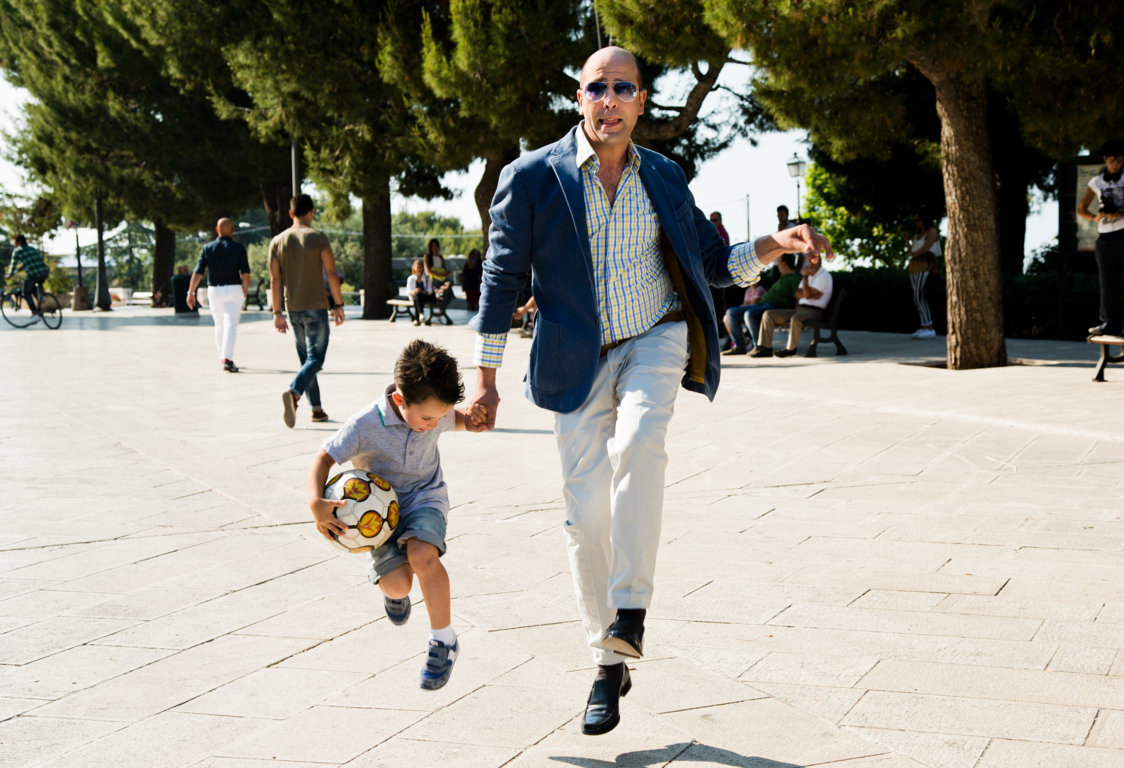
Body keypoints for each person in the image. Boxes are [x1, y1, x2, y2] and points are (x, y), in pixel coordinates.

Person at [466, 46, 832, 736]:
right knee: (584, 518)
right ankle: (608, 662)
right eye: (596, 88)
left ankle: (629, 610)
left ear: (641, 101)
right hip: (573, 359)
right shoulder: (531, 178)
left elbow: (714, 264)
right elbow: (501, 280)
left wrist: (772, 244)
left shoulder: (663, 174)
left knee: (640, 442)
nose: (609, 100)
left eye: (623, 88)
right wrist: (484, 380)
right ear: (579, 99)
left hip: (653, 337)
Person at [307, 339, 486, 690]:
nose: (433, 424)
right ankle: (393, 594)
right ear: (401, 401)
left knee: (424, 555)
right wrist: (315, 501)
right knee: (398, 583)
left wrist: (473, 422)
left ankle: (443, 639)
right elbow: (323, 457)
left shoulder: (431, 411)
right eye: (427, 418)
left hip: (425, 499)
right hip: (375, 520)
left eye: (439, 417)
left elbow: (455, 419)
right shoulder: (364, 425)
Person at [269, 193, 346, 428]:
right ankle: (294, 393)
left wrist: (277, 313)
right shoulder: (318, 238)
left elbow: (275, 279)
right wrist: (339, 304)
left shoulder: (277, 241)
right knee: (315, 359)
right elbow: (332, 274)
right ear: (311, 212)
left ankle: (317, 409)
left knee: (307, 360)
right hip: (316, 307)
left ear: (291, 214)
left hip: (293, 309)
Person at [187, 218, 251, 372]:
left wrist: (191, 291)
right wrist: (244, 290)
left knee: (219, 324)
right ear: (233, 230)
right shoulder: (239, 248)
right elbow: (246, 273)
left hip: (214, 290)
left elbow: (198, 272)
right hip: (234, 288)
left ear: (217, 230)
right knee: (231, 324)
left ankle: (223, 356)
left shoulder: (208, 248)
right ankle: (227, 358)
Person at [1078, 139, 1124, 337]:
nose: (1116, 164)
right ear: (1105, 159)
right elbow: (1082, 208)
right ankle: (1108, 324)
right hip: (1105, 237)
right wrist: (1095, 217)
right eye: (1112, 160)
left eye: (1120, 161)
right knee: (1107, 283)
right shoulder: (1096, 182)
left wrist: (1119, 213)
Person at [752, 250, 833, 358]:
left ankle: (790, 349)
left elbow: (806, 295)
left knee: (795, 318)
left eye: (812, 260)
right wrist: (809, 292)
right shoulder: (810, 276)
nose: (809, 263)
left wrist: (804, 279)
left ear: (819, 260)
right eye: (808, 260)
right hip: (800, 309)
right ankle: (765, 348)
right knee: (768, 314)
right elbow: (797, 294)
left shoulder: (824, 276)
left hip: (815, 311)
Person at [722, 253, 800, 355]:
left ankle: (759, 346)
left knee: (750, 314)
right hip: (762, 304)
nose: (777, 264)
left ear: (784, 263)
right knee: (731, 312)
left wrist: (796, 312)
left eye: (779, 262)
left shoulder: (795, 278)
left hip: (774, 307)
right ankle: (739, 346)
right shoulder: (782, 277)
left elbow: (798, 297)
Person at [906, 213, 940, 339]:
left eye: (918, 220)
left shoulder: (931, 231)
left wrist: (915, 253)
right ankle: (924, 325)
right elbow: (911, 251)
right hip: (914, 266)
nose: (916, 223)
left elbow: (926, 248)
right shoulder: (918, 234)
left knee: (919, 296)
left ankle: (929, 327)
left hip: (925, 266)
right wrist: (908, 241)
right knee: (918, 298)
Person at [6, 234, 50, 318]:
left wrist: (9, 275)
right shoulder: (32, 249)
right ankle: (41, 299)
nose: (13, 243)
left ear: (19, 242)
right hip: (44, 272)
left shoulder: (18, 251)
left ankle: (34, 313)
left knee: (26, 293)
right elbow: (30, 262)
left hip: (33, 274)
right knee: (33, 289)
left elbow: (13, 265)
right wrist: (19, 269)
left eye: (14, 241)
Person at [406, 257, 437, 326]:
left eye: (421, 267)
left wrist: (421, 291)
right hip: (416, 297)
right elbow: (408, 291)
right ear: (414, 268)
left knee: (418, 295)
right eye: (418, 267)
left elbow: (429, 291)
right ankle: (421, 314)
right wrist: (416, 291)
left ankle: (417, 318)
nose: (419, 269)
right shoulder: (411, 278)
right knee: (417, 296)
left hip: (426, 296)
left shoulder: (427, 278)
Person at [424, 238, 454, 302]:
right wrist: (439, 274)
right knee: (448, 293)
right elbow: (428, 270)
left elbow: (444, 268)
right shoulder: (427, 256)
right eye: (433, 246)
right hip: (433, 278)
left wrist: (446, 273)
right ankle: (440, 291)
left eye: (436, 246)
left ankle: (442, 290)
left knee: (450, 284)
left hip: (442, 277)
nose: (435, 248)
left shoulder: (440, 257)